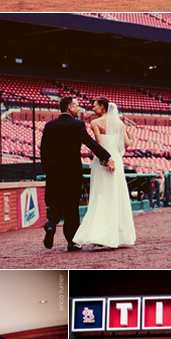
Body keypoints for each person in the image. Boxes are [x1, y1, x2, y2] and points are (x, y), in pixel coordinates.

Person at [40, 95, 115, 252]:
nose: (79, 108)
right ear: (69, 108)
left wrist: (47, 169)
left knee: (54, 203)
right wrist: (106, 156)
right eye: (76, 106)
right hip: (72, 172)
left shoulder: (49, 125)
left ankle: (51, 225)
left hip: (54, 172)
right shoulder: (77, 125)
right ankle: (72, 242)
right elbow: (90, 143)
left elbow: (44, 150)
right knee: (71, 207)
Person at [73, 99, 136, 250]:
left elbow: (99, 143)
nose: (92, 108)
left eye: (94, 106)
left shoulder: (95, 123)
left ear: (102, 107)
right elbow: (127, 144)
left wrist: (105, 159)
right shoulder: (120, 124)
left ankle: (100, 234)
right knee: (116, 195)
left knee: (100, 195)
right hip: (117, 161)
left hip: (103, 161)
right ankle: (117, 234)